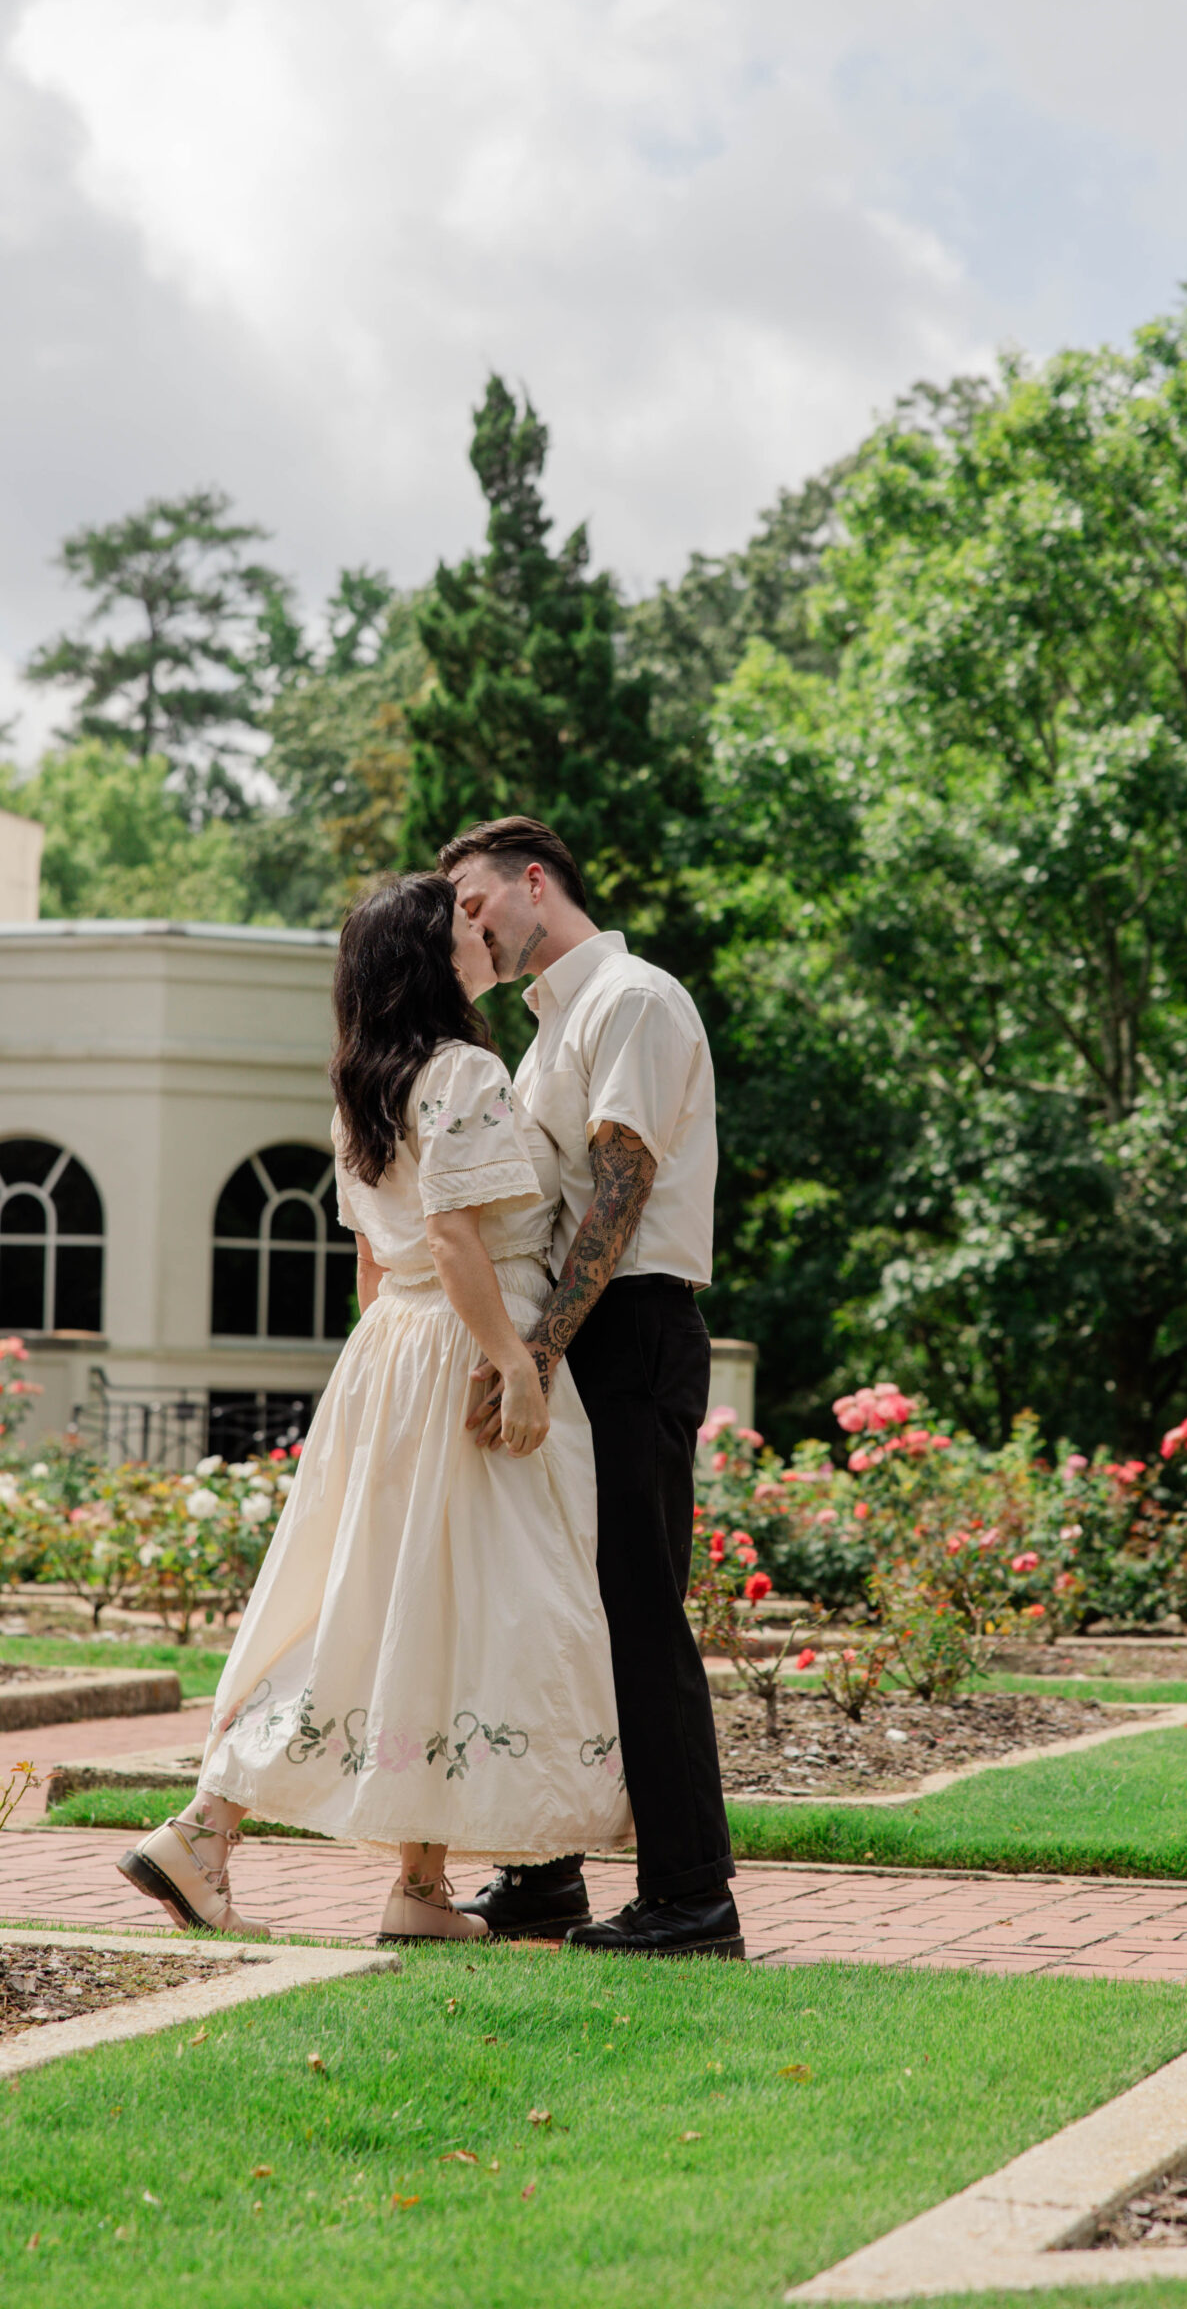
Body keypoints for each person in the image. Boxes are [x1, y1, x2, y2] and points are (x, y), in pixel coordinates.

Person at [115, 871, 632, 1940]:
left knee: (396, 1603)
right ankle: (213, 1828)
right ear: (432, 955)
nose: (481, 929)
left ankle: (411, 1884)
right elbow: (452, 1239)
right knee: (454, 1602)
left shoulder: (364, 1084)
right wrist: (515, 1363)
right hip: (457, 1348)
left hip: (390, 1351)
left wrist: (389, 1379)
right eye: (462, 921)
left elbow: (371, 1262)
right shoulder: (465, 1069)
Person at [443, 814, 742, 1961]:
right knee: (555, 1610)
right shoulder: (545, 1030)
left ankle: (692, 1899)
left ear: (535, 880)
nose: (464, 928)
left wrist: (545, 1349)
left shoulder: (632, 997)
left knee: (639, 1614)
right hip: (576, 1338)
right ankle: (545, 1874)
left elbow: (619, 1190)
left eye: (474, 903)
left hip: (633, 1330)